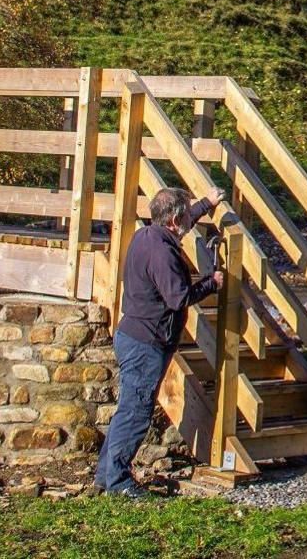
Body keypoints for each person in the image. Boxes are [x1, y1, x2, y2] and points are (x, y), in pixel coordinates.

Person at [95, 185, 226, 498]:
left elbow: (181, 219)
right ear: (175, 219)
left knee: (128, 408)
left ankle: (107, 474)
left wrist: (207, 203)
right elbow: (178, 297)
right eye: (185, 214)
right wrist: (212, 283)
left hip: (136, 334)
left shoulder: (148, 235)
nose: (185, 221)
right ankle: (117, 482)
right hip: (147, 341)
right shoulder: (162, 251)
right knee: (136, 411)